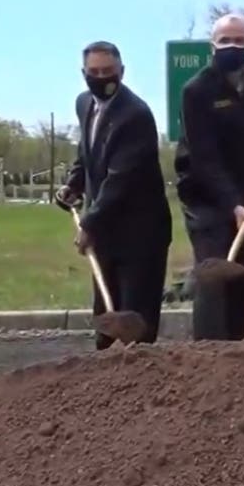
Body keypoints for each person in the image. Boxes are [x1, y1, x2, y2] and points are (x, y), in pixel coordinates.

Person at [57, 41, 172, 350]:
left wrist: (89, 223)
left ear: (122, 71)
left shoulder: (135, 115)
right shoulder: (84, 103)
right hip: (106, 232)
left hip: (140, 234)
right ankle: (106, 373)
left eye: (108, 71)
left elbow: (121, 178)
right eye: (93, 72)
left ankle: (140, 377)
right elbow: (88, 150)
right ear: (83, 73)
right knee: (106, 321)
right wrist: (74, 184)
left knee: (135, 326)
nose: (101, 78)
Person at [173, 13, 244, 341]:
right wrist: (233, 205)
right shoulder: (196, 90)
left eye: (239, 41)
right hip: (204, 196)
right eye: (225, 41)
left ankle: (237, 348)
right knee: (214, 274)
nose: (232, 46)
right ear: (212, 46)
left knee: (242, 272)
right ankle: (209, 352)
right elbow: (204, 157)